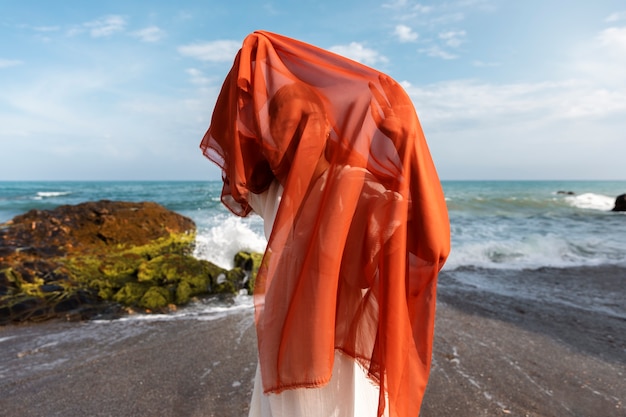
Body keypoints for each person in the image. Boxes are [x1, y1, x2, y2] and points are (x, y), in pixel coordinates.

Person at [200, 31, 450, 417]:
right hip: (282, 365)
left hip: (336, 372)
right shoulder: (275, 192)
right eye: (275, 125)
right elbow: (235, 150)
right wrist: (249, 63)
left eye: (294, 123)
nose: (278, 138)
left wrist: (408, 145)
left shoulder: (357, 189)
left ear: (322, 127)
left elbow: (433, 246)